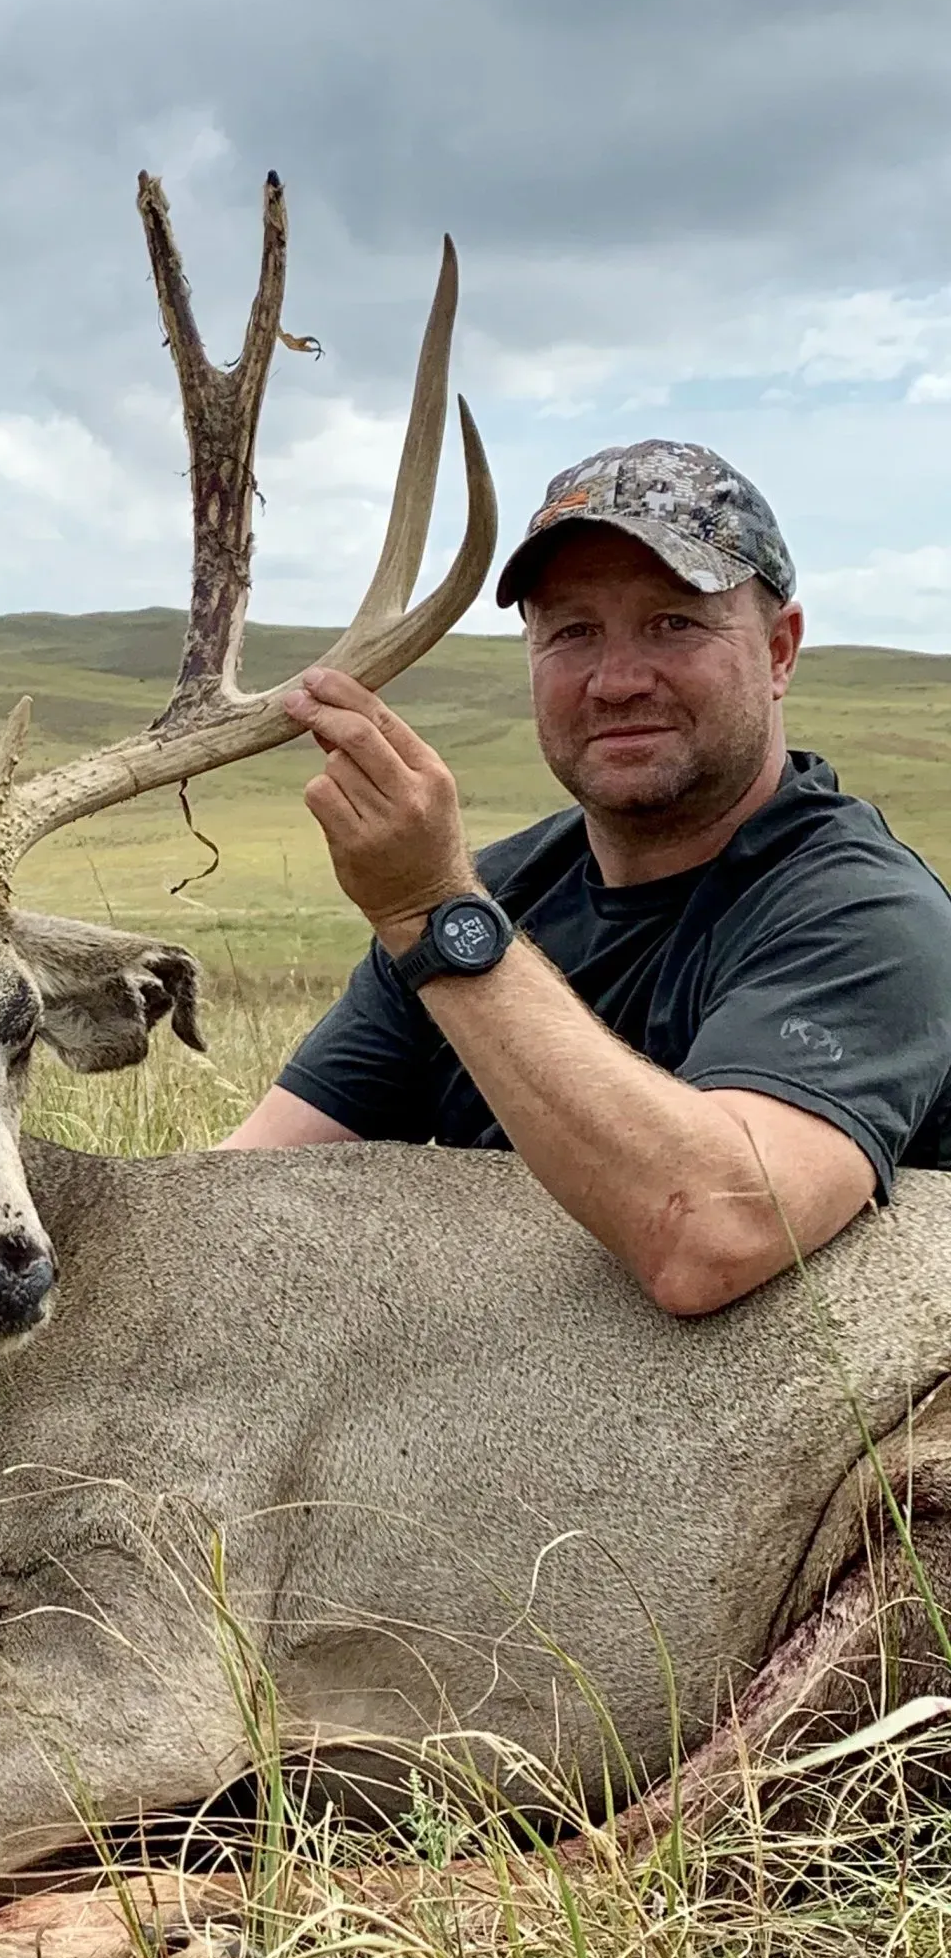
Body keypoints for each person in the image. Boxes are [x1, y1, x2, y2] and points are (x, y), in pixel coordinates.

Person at [220, 440, 951, 1316]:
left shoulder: (868, 913)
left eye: (674, 622)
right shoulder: (495, 891)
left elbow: (710, 1240)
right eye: (571, 632)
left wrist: (431, 912)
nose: (616, 681)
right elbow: (243, 1187)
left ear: (780, 650)